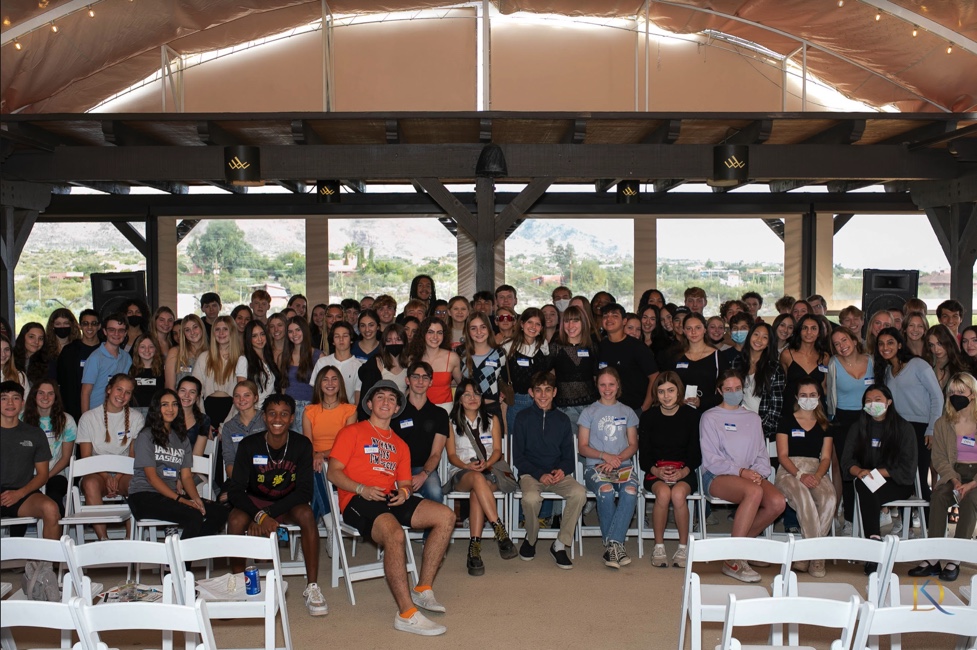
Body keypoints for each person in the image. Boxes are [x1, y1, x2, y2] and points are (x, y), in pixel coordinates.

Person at [328, 381, 455, 636]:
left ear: (397, 407)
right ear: (369, 404)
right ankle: (406, 614)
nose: (386, 402)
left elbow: (405, 482)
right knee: (394, 533)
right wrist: (361, 488)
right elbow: (333, 472)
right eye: (380, 397)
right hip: (356, 499)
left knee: (446, 516)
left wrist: (405, 492)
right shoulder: (351, 432)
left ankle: (422, 589)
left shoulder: (400, 444)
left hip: (389, 498)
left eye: (391, 399)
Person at [226, 393, 327, 617]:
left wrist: (266, 514)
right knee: (234, 519)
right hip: (254, 501)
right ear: (264, 417)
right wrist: (258, 514)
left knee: (307, 514)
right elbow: (235, 490)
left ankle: (312, 587)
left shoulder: (301, 444)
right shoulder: (249, 445)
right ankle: (239, 584)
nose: (277, 418)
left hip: (287, 502)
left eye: (284, 414)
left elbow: (304, 491)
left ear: (292, 418)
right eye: (272, 413)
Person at [699, 370, 786, 583]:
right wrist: (741, 472)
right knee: (754, 491)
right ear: (720, 390)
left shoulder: (752, 418)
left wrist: (758, 473)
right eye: (728, 389)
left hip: (749, 476)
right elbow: (711, 459)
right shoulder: (710, 417)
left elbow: (761, 454)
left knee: (777, 502)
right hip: (718, 475)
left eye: (737, 389)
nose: (733, 393)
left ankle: (738, 549)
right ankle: (734, 560)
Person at [127, 389, 227, 539]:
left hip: (170, 496)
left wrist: (196, 500)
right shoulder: (146, 435)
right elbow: (151, 478)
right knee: (194, 516)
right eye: (165, 405)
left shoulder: (182, 439)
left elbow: (186, 477)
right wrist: (182, 500)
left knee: (220, 512)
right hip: (144, 496)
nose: (170, 409)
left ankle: (184, 553)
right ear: (156, 408)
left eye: (174, 404)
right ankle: (181, 561)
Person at [442, 378, 518, 575]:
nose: (472, 398)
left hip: (489, 471)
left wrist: (488, 463)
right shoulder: (451, 423)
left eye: (476, 393)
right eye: (466, 394)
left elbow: (498, 451)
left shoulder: (492, 420)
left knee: (478, 489)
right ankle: (499, 530)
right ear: (459, 399)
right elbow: (451, 456)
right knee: (476, 480)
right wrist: (467, 465)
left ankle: (474, 552)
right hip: (462, 473)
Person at [511, 371, 586, 569]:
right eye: (538, 390)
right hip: (531, 474)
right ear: (531, 393)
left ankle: (560, 544)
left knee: (579, 493)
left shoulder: (562, 420)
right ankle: (531, 539)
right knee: (530, 499)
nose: (543, 395)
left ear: (554, 392)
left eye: (547, 390)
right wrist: (539, 474)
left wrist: (561, 470)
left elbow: (569, 457)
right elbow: (518, 457)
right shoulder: (522, 418)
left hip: (556, 474)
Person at [907, 372, 977, 582]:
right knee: (938, 495)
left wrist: (972, 483)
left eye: (961, 392)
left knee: (970, 500)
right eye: (952, 392)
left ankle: (956, 557)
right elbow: (938, 458)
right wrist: (954, 480)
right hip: (953, 472)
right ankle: (933, 556)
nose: (956, 395)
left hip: (975, 476)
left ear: (972, 394)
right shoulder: (942, 423)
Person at [841, 384, 917, 572]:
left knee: (868, 487)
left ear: (889, 402)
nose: (872, 404)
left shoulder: (904, 428)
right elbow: (846, 460)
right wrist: (858, 471)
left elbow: (907, 467)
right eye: (868, 401)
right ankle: (875, 542)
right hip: (867, 478)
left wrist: (877, 473)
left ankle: (873, 550)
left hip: (897, 481)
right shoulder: (858, 427)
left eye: (877, 400)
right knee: (865, 485)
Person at [577, 367, 640, 569]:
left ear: (618, 385)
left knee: (630, 491)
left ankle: (612, 544)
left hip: (623, 465)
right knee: (606, 491)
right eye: (602, 384)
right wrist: (606, 456)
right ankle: (616, 546)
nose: (607, 388)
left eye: (611, 384)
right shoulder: (589, 412)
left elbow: (633, 444)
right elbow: (583, 447)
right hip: (595, 467)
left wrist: (617, 458)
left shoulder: (627, 411)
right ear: (597, 385)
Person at [774, 379, 836, 577]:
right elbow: (782, 456)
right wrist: (800, 475)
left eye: (812, 395)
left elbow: (826, 457)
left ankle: (805, 554)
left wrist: (817, 476)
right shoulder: (786, 421)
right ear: (796, 398)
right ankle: (816, 556)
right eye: (803, 395)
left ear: (819, 397)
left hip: (816, 470)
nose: (808, 399)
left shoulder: (825, 424)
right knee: (804, 498)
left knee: (830, 498)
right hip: (789, 471)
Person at [639, 372, 701, 569]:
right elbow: (644, 456)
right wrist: (656, 471)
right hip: (656, 470)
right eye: (661, 391)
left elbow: (695, 454)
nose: (666, 396)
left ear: (679, 391)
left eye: (671, 391)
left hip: (684, 469)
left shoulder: (691, 416)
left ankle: (683, 547)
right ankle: (659, 546)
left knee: (678, 494)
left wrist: (683, 472)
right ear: (656, 394)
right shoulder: (648, 417)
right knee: (664, 494)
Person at [875, 327, 942, 500]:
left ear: (899, 345)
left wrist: (932, 429)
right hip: (897, 430)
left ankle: (929, 524)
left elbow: (937, 397)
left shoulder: (918, 365)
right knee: (903, 479)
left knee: (919, 479)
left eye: (890, 342)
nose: (885, 347)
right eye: (881, 344)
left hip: (921, 429)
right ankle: (907, 526)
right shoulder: (886, 372)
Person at [76, 373, 145, 540]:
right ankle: (103, 539)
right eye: (119, 390)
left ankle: (130, 539)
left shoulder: (136, 418)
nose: (122, 396)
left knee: (137, 482)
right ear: (108, 390)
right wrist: (106, 476)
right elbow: (86, 457)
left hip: (125, 472)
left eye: (127, 392)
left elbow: (134, 456)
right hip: (96, 473)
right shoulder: (88, 418)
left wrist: (118, 476)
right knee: (90, 483)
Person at [826, 326, 874, 534]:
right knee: (848, 470)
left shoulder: (872, 361)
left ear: (854, 340)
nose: (842, 346)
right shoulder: (833, 364)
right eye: (836, 344)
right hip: (842, 421)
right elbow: (829, 395)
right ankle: (849, 519)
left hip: (869, 418)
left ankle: (871, 514)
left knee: (870, 466)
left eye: (844, 340)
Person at [0, 381, 60, 540]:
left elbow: (42, 475)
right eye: (4, 398)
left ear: (23, 403)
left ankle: (47, 562)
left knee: (51, 509)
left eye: (15, 398)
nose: (10, 403)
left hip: (23, 493)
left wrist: (19, 494)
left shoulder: (34, 434)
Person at [303, 366, 357, 519]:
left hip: (341, 459)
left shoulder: (350, 410)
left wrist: (323, 455)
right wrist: (316, 456)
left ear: (340, 383)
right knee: (317, 468)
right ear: (319, 383)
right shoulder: (309, 411)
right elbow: (308, 444)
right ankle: (329, 523)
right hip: (316, 460)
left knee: (319, 469)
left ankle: (313, 524)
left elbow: (348, 445)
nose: (330, 383)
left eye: (334, 379)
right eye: (325, 379)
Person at [21, 380, 76, 516]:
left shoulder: (66, 420)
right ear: (34, 395)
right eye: (41, 393)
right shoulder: (21, 419)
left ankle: (60, 536)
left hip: (55, 473)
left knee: (53, 496)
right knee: (20, 497)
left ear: (55, 397)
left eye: (50, 394)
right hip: (27, 475)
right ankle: (17, 537)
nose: (45, 397)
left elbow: (66, 457)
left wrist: (45, 477)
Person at [598, 303, 659, 415]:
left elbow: (654, 377)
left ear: (624, 321)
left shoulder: (637, 347)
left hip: (634, 410)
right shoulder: (601, 346)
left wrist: (644, 408)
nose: (609, 319)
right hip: (607, 409)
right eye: (606, 316)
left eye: (615, 316)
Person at [730, 322, 786, 442]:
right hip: (736, 423)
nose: (759, 339)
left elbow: (776, 405)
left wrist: (761, 427)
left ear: (769, 343)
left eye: (765, 337)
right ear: (750, 336)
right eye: (756, 334)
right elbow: (729, 395)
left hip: (761, 428)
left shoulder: (774, 368)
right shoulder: (736, 362)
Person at [548, 305, 599, 427]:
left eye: (576, 320)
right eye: (566, 321)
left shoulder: (592, 346)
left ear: (584, 322)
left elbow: (598, 376)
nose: (570, 326)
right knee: (570, 445)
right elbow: (545, 373)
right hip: (564, 408)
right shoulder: (556, 346)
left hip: (591, 407)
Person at [502, 308, 551, 433]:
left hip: (541, 400)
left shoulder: (543, 344)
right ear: (522, 324)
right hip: (517, 400)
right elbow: (500, 373)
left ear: (541, 328)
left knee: (539, 439)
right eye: (530, 322)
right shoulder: (508, 346)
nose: (533, 327)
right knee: (516, 440)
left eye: (538, 324)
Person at [192, 315, 241, 428]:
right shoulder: (204, 357)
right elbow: (196, 391)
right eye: (217, 329)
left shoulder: (241, 359)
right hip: (207, 410)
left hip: (233, 410)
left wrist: (227, 424)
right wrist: (203, 420)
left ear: (232, 332)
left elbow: (242, 395)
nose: (221, 333)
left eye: (225, 329)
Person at [671, 313, 726, 412]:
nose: (693, 332)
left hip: (710, 412)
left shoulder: (717, 356)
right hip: (682, 412)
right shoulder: (677, 357)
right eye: (689, 328)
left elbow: (725, 389)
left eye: (698, 328)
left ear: (705, 330)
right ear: (684, 331)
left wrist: (702, 402)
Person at [460, 312, 507, 422]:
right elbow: (459, 382)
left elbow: (505, 379)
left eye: (483, 327)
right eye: (473, 328)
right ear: (468, 331)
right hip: (467, 410)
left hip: (492, 409)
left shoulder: (499, 353)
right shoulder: (461, 354)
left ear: (489, 329)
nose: (479, 332)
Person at [81, 313, 132, 413]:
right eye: (112, 330)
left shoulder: (127, 358)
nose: (116, 334)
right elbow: (85, 392)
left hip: (118, 414)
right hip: (96, 414)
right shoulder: (95, 358)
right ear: (105, 331)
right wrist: (85, 419)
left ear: (125, 333)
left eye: (121, 330)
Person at [407, 317, 461, 411]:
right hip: (418, 408)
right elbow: (410, 387)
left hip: (446, 408)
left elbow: (461, 384)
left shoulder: (452, 357)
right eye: (430, 332)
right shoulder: (413, 359)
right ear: (423, 334)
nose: (435, 337)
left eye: (439, 333)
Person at [357, 324, 409, 420]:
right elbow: (366, 396)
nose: (394, 343)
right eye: (389, 340)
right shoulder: (376, 363)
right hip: (380, 415)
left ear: (404, 342)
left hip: (401, 414)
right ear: (384, 343)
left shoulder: (410, 365)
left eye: (398, 339)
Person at [780, 314, 830, 413]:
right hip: (791, 407)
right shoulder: (787, 355)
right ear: (799, 331)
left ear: (819, 332)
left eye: (814, 328)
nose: (809, 332)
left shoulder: (824, 357)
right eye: (805, 328)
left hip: (817, 410)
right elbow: (782, 384)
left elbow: (824, 387)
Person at [57, 309, 101, 420]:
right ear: (79, 326)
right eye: (85, 324)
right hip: (72, 409)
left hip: (100, 408)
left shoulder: (105, 349)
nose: (89, 328)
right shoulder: (69, 351)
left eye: (94, 324)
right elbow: (61, 381)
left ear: (99, 326)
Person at [280, 317, 320, 428]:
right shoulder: (284, 356)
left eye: (298, 330)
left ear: (304, 331)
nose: (294, 334)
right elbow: (284, 385)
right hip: (289, 407)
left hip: (310, 407)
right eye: (290, 331)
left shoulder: (318, 356)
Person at [221, 380, 265, 480]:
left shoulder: (266, 420)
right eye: (237, 396)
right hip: (239, 477)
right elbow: (229, 460)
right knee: (224, 496)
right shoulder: (229, 427)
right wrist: (240, 483)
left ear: (256, 398)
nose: (241, 399)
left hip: (266, 476)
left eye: (247, 395)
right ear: (233, 399)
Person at [310, 322, 363, 404]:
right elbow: (315, 390)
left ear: (351, 339)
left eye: (345, 336)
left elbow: (357, 397)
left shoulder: (359, 366)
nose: (341, 339)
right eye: (337, 336)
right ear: (333, 341)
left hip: (348, 413)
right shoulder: (322, 362)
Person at [236, 320, 280, 408]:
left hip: (270, 410)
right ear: (248, 338)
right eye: (254, 336)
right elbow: (242, 392)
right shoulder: (244, 360)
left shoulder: (269, 358)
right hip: (254, 411)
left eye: (262, 334)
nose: (260, 339)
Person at [164, 314, 207, 390]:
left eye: (195, 327)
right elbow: (170, 386)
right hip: (180, 400)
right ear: (184, 334)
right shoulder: (175, 352)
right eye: (187, 330)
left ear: (202, 328)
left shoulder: (211, 353)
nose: (192, 332)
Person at [128, 334, 164, 416]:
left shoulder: (163, 371)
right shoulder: (130, 370)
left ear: (156, 349)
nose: (147, 350)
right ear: (137, 349)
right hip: (134, 412)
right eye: (142, 347)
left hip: (155, 412)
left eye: (151, 347)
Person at [925, 324, 968, 390]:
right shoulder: (926, 364)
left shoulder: (961, 363)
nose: (936, 349)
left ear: (948, 342)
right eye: (931, 345)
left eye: (939, 344)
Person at [176, 376, 211, 457]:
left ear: (197, 397)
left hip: (192, 466)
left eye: (192, 392)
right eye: (182, 390)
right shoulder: (167, 416)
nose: (186, 395)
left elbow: (197, 455)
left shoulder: (203, 420)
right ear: (176, 393)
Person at [14, 322, 52, 391]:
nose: (36, 342)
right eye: (31, 337)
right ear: (23, 337)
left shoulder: (48, 362)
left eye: (40, 338)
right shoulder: (11, 358)